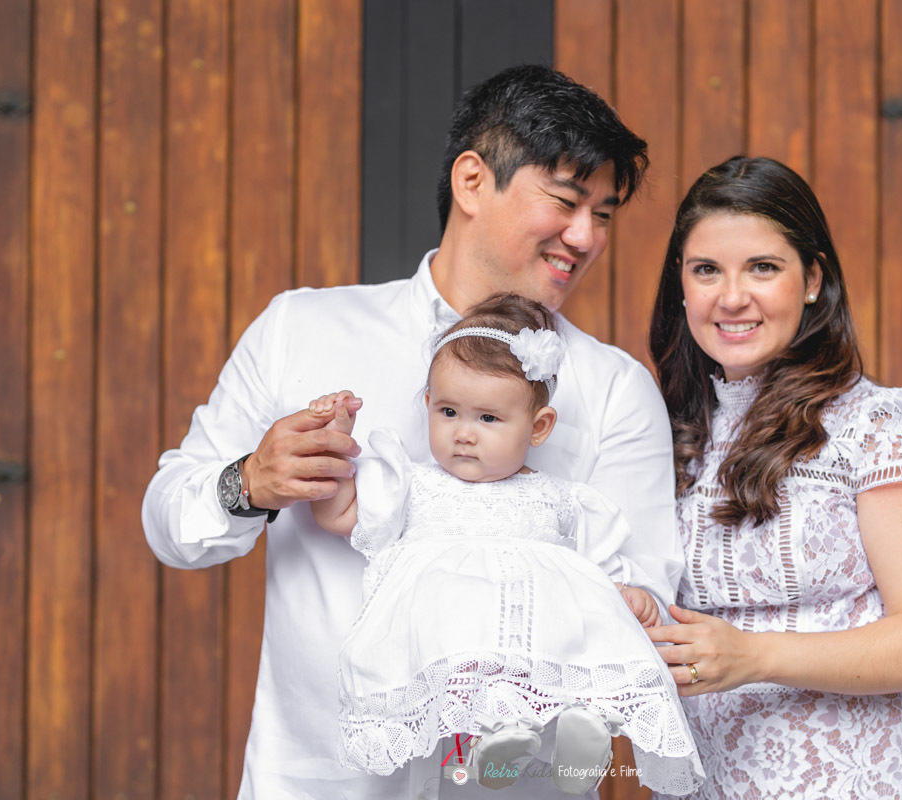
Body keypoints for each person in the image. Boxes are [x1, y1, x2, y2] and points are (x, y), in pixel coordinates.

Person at [142, 64, 682, 799]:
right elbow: (170, 523)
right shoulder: (301, 329)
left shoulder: (615, 389)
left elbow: (643, 592)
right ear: (471, 182)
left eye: (605, 215)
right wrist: (252, 481)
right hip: (317, 782)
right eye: (564, 201)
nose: (585, 236)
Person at [644, 155, 902, 800]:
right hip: (704, 781)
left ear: (812, 279)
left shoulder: (877, 425)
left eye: (763, 267)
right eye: (706, 269)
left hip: (853, 780)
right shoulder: (665, 429)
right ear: (681, 287)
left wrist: (756, 655)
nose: (731, 297)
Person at [306, 294, 703, 796]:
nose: (465, 434)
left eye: (488, 419)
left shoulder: (561, 499)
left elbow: (605, 573)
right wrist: (331, 441)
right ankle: (497, 748)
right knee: (457, 732)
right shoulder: (415, 485)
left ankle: (585, 742)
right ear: (427, 404)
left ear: (538, 427)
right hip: (455, 652)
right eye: (449, 411)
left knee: (574, 673)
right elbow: (340, 513)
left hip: (538, 657)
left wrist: (632, 598)